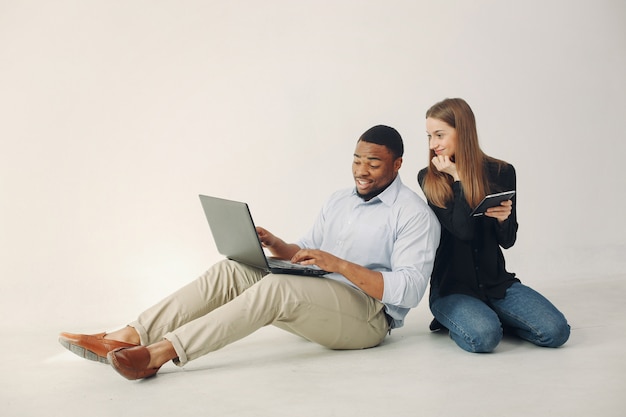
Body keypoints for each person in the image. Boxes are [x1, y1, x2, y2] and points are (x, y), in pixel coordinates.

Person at [60, 125, 440, 380]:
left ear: (397, 164)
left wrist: (338, 263)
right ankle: (128, 335)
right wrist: (279, 245)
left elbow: (408, 291)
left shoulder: (413, 214)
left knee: (278, 289)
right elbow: (306, 253)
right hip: (319, 299)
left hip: (368, 319)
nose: (361, 170)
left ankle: (160, 354)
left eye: (373, 162)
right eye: (357, 160)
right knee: (234, 270)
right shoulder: (340, 200)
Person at [417, 98, 570, 353]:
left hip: (496, 283)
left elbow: (508, 241)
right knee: (485, 338)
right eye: (430, 136)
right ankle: (459, 319)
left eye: (440, 135)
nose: (433, 144)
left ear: (462, 132)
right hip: (452, 289)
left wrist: (502, 220)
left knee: (556, 332)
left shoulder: (502, 171)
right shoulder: (430, 177)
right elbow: (462, 231)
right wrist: (459, 178)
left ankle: (493, 317)